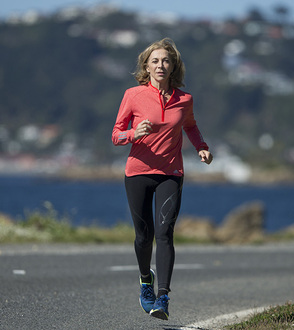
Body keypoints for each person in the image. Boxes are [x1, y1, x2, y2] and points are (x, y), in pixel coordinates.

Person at [111, 38, 213, 320]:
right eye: (155, 61)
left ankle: (163, 297)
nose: (160, 65)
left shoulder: (185, 99)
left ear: (173, 66)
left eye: (166, 61)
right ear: (146, 66)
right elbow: (116, 135)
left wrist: (201, 147)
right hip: (138, 172)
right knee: (144, 237)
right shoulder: (133, 95)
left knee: (165, 233)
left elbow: (190, 126)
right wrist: (134, 133)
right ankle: (146, 281)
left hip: (171, 173)